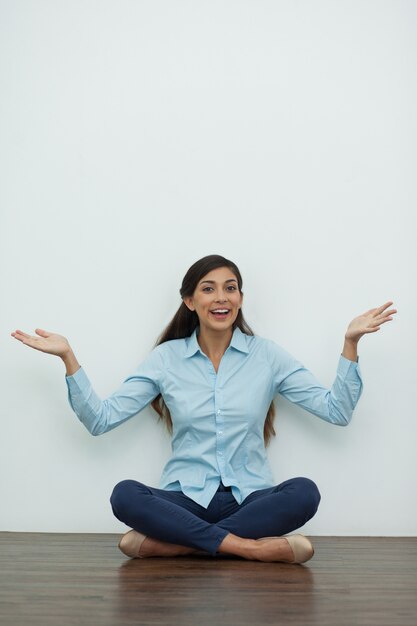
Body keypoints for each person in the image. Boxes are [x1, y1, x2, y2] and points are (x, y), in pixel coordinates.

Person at [11, 254, 396, 564]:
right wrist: (68, 358)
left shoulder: (267, 356)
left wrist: (350, 344)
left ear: (241, 299)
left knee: (304, 492)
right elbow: (101, 420)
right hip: (185, 499)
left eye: (231, 288)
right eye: (208, 289)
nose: (221, 297)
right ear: (190, 301)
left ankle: (183, 546)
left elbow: (336, 411)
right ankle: (248, 549)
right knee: (125, 494)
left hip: (250, 498)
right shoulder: (166, 359)